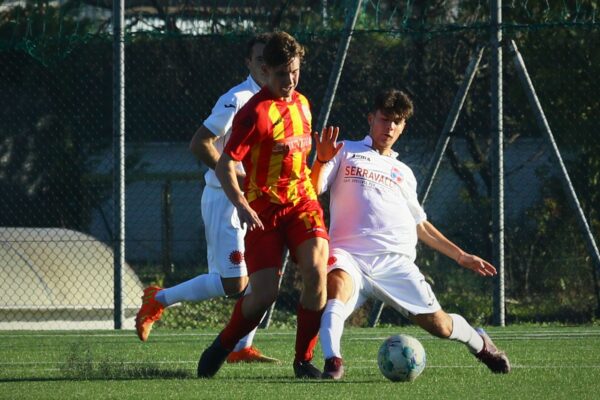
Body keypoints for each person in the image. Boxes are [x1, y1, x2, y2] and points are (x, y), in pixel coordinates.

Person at [311, 88, 511, 380]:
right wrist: (319, 160)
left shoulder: (404, 172)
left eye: (397, 122)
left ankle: (479, 342)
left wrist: (461, 255)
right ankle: (333, 363)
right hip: (350, 256)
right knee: (335, 293)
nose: (389, 127)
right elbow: (315, 188)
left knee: (441, 327)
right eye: (384, 119)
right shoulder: (344, 150)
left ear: (403, 126)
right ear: (371, 119)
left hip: (395, 263)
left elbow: (420, 225)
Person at [135, 33, 279, 364]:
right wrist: (234, 174)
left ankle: (241, 347)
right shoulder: (237, 98)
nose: (267, 68)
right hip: (225, 200)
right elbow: (201, 143)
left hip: (259, 201)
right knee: (233, 283)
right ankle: (159, 298)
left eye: (271, 62)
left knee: (264, 276)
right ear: (249, 63)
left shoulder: (280, 102)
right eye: (260, 61)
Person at [197, 31, 329, 379]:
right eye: (283, 74)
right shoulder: (253, 113)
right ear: (266, 71)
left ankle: (303, 361)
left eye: (295, 71)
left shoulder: (303, 104)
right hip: (264, 210)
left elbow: (297, 160)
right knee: (264, 294)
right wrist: (240, 202)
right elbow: (226, 162)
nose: (290, 80)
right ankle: (224, 344)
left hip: (302, 203)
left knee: (317, 271)